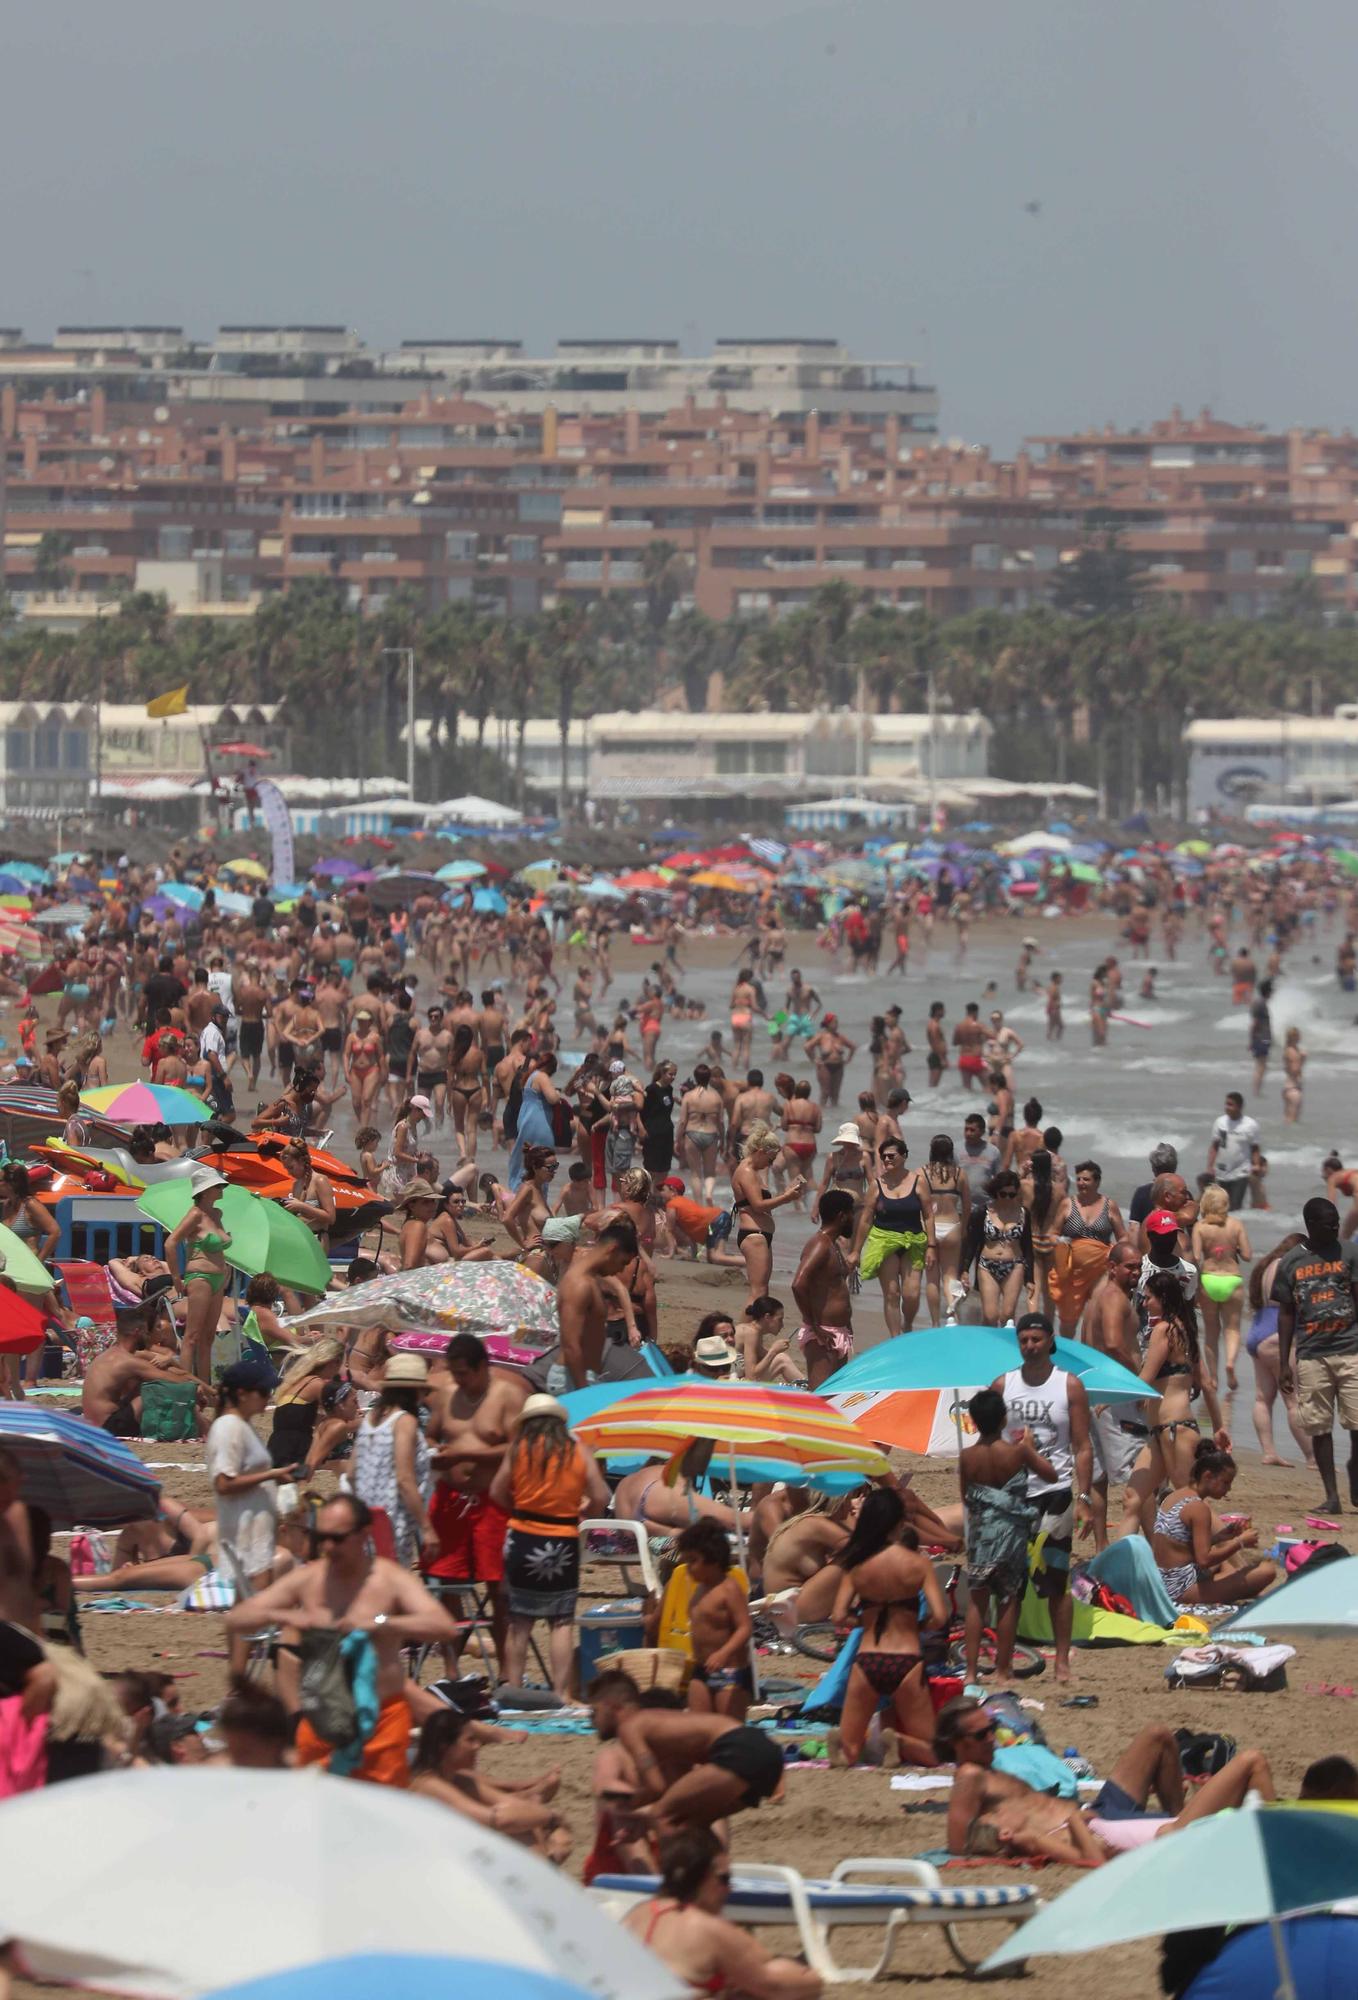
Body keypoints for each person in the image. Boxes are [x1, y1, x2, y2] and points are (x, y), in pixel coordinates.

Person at [225, 1493, 458, 1784]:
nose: (327, 1547)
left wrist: (380, 1623)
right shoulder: (310, 1579)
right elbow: (237, 1617)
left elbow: (444, 1626)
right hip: (321, 1718)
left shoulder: (389, 1579)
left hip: (381, 1719)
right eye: (321, 1538)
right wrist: (289, 1617)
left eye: (337, 1538)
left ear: (363, 1535)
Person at [936, 1699, 1275, 1865]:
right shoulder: (969, 1775)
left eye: (992, 1729)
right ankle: (1180, 1829)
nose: (992, 1738)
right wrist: (1014, 1848)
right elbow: (958, 1846)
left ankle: (1178, 1817)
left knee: (1157, 1736)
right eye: (982, 1734)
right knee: (1243, 1776)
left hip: (1094, 1812)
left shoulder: (990, 1767)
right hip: (1090, 1827)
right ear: (957, 1743)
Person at [990, 1313, 1092, 1684]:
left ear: (1050, 1341)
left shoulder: (1069, 1386)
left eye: (1036, 1339)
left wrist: (1085, 1498)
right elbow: (988, 1439)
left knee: (1056, 1582)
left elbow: (1082, 1445)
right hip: (1013, 1495)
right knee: (1009, 1585)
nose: (1030, 1346)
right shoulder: (1004, 1385)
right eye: (1024, 1340)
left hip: (1056, 1494)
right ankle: (1002, 1667)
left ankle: (1062, 1663)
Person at [488, 1393, 609, 1696]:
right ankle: (561, 1694)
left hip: (523, 1536)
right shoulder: (577, 1451)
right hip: (562, 1540)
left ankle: (514, 1689)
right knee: (561, 1620)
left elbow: (496, 1491)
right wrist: (583, 1510)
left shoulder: (519, 1449)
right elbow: (602, 1497)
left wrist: (518, 1506)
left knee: (519, 1620)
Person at [426, 1332, 530, 1668]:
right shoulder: (447, 1395)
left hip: (492, 1501)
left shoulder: (507, 1395)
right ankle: (451, 1669)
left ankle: (504, 1669)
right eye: (454, 1373)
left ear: (483, 1366)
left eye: (464, 1373)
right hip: (450, 1500)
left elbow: (517, 1448)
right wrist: (436, 1450)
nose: (458, 1380)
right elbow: (430, 1434)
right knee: (447, 1585)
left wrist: (467, 1453)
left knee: (497, 1589)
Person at [622, 1828, 823, 2000]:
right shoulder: (706, 1928)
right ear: (700, 1877)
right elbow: (774, 1986)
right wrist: (813, 1979)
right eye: (724, 1879)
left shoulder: (635, 1916)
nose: (729, 1889)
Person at [828, 1488, 947, 1768]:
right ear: (898, 1523)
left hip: (868, 1659)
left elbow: (838, 1615)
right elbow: (940, 1617)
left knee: (851, 1752)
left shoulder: (857, 1564)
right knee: (933, 1754)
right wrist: (917, 1626)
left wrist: (864, 1621)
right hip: (906, 1659)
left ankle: (841, 1747)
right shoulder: (918, 1564)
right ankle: (898, 1741)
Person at [589, 1668, 787, 1832]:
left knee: (661, 1816)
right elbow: (675, 1785)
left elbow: (656, 1787)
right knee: (690, 1824)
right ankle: (716, 1871)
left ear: (611, 1705)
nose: (592, 1720)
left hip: (739, 1748)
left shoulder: (630, 1727)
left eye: (594, 1711)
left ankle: (676, 1878)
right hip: (766, 1752)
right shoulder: (662, 1727)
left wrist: (629, 1806)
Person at [958, 1388, 1054, 1687]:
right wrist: (1030, 1446)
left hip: (980, 1533)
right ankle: (1002, 1670)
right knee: (1009, 1599)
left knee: (977, 1602)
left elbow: (965, 1496)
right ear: (1002, 1420)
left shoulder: (967, 1456)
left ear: (973, 1421)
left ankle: (972, 1672)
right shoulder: (1018, 1452)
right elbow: (1050, 1476)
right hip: (1010, 1533)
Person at [207, 1358, 294, 1666]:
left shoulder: (240, 1426)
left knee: (246, 1606)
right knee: (251, 1610)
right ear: (243, 1393)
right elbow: (223, 1482)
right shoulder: (229, 1427)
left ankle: (238, 1675)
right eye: (263, 1392)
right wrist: (272, 1475)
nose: (268, 1398)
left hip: (253, 1528)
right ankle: (239, 1676)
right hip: (246, 1532)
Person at [1274, 1196, 1358, 1514]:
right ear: (1311, 1225)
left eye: (1337, 1221)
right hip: (1311, 1355)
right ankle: (1332, 1496)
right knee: (1320, 1427)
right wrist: (1284, 1363)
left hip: (1351, 1349)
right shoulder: (1291, 1262)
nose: (1336, 1226)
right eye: (1328, 1223)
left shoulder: (1350, 1252)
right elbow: (1285, 1314)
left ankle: (1355, 1468)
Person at [410, 1706, 569, 1854]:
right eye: (470, 1740)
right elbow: (497, 1820)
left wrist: (538, 1813)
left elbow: (513, 1806)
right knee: (523, 1828)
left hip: (453, 1854)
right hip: (430, 1861)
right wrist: (551, 1818)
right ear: (445, 1747)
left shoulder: (457, 1779)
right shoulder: (429, 1785)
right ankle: (543, 1872)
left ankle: (543, 1869)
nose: (478, 1745)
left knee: (528, 1824)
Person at [1151, 1441, 1277, 1607]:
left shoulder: (1175, 1496)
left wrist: (1218, 1538)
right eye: (1225, 1482)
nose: (1229, 1489)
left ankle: (1230, 1583)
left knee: (1225, 1562)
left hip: (1163, 1579)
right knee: (1267, 1571)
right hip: (1179, 1588)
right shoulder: (1198, 1508)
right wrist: (1240, 1543)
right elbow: (1203, 1560)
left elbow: (1179, 1545)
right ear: (1208, 1476)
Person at [352, 1352, 435, 1569]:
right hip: (391, 1521)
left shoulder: (371, 1418)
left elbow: (352, 1472)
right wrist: (426, 1527)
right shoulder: (404, 1421)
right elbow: (404, 1478)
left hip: (363, 1516)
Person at [851, 1136, 935, 1338]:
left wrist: (931, 1245)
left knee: (911, 1294)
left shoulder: (919, 1182)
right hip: (884, 1241)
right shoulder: (877, 1185)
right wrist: (855, 1250)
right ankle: (895, 1338)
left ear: (904, 1156)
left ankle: (907, 1325)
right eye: (883, 1157)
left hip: (913, 1241)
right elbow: (866, 1219)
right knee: (892, 1293)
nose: (886, 1160)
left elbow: (929, 1215)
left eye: (891, 1156)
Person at [1245, 1235, 1312, 1466]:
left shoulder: (1267, 1264)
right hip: (1277, 1334)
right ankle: (1312, 1457)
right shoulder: (1289, 1265)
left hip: (1257, 1331)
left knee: (1262, 1398)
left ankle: (1269, 1452)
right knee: (1293, 1400)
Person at [678, 1518, 754, 1721]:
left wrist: (723, 1653)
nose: (688, 1568)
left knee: (728, 1729)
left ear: (713, 1558)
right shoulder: (700, 1589)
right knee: (699, 1728)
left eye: (693, 1561)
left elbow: (745, 1627)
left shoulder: (728, 1589)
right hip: (701, 1667)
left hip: (729, 1670)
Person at [164, 1162, 233, 1382]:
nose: (221, 1189)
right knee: (192, 1337)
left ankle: (204, 1386)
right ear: (204, 1191)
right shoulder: (195, 1214)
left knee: (208, 1338)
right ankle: (186, 1386)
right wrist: (176, 1278)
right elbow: (170, 1243)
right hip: (200, 1277)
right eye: (217, 1186)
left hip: (218, 1278)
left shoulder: (217, 1213)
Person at [731, 1125, 804, 1312]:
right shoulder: (746, 1171)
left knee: (763, 1291)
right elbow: (758, 1205)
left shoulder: (753, 1171)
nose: (770, 1164)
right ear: (761, 1151)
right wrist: (787, 1198)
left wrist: (786, 1192)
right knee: (757, 1292)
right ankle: (744, 1335)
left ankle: (753, 1335)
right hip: (753, 1234)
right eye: (770, 1159)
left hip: (761, 1234)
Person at [791, 1189, 857, 1389]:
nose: (854, 1219)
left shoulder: (832, 1244)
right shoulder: (819, 1244)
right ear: (842, 1216)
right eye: (852, 1214)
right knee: (820, 1396)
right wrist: (814, 1325)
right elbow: (798, 1283)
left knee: (834, 1396)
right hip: (823, 1335)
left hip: (837, 1332)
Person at [1191, 1184, 1251, 1392]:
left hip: (1209, 1280)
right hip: (1232, 1280)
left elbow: (1196, 1258)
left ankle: (1214, 1378)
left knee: (1211, 1333)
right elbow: (1247, 1255)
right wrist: (1233, 1248)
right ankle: (1231, 1363)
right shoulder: (1236, 1225)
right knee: (1232, 1329)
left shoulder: (1200, 1227)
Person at [1206, 1089, 1260, 1213]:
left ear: (1239, 1106)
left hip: (1241, 1171)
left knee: (1236, 1206)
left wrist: (1256, 1165)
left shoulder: (1250, 1124)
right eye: (1226, 1104)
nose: (1227, 1107)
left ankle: (1234, 1229)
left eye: (1230, 1104)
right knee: (1221, 1206)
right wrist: (1210, 1166)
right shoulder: (1220, 1122)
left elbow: (1255, 1148)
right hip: (1222, 1171)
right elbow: (1215, 1145)